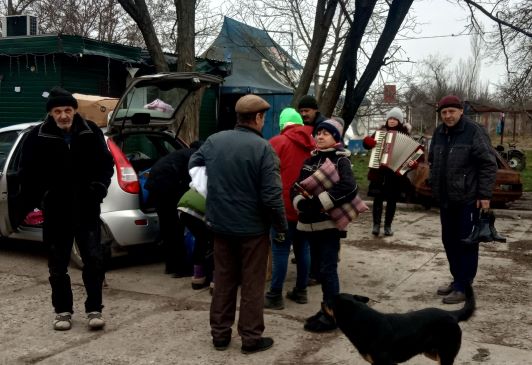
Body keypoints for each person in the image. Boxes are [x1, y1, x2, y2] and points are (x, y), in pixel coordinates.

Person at [189, 94, 287, 354]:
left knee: (223, 280)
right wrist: (280, 227)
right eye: (263, 118)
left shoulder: (214, 141)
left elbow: (194, 163)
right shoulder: (264, 149)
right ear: (257, 118)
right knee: (253, 284)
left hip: (220, 226)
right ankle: (251, 338)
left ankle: (220, 336)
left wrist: (211, 193)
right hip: (253, 231)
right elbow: (272, 196)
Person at [19, 86, 114, 331]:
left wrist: (99, 189)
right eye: (58, 111)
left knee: (93, 260)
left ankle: (94, 309)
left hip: (86, 209)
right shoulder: (36, 136)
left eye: (68, 110)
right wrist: (41, 198)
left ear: (74, 110)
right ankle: (63, 311)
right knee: (58, 265)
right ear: (51, 113)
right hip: (56, 213)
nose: (64, 115)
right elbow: (26, 174)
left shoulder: (90, 131)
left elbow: (106, 164)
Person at [291, 119, 358, 332]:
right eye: (318, 133)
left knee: (328, 270)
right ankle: (325, 309)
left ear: (336, 138)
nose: (319, 136)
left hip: (328, 226)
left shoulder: (341, 161)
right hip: (309, 225)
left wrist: (319, 203)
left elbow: (350, 187)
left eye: (326, 133)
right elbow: (297, 186)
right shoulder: (311, 159)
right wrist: (300, 202)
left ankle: (332, 315)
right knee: (319, 270)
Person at [428, 95, 497, 304]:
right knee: (449, 241)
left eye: (452, 111)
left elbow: (488, 164)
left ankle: (463, 287)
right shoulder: (439, 132)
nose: (448, 116)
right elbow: (433, 160)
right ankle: (457, 278)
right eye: (444, 112)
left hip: (468, 198)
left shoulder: (474, 131)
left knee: (466, 243)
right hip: (446, 198)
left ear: (460, 111)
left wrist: (484, 195)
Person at [264, 107, 314, 310]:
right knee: (303, 249)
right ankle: (301, 291)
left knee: (281, 250)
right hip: (306, 207)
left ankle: (275, 295)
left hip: (283, 207)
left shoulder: (277, 142)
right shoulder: (312, 144)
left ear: (283, 124)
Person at [144, 142, 202, 277]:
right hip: (166, 185)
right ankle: (181, 268)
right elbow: (194, 181)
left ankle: (170, 265)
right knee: (176, 227)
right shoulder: (194, 156)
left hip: (155, 185)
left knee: (166, 226)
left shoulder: (180, 154)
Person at [362, 107, 416, 236]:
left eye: (395, 119)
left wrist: (412, 164)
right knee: (378, 199)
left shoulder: (406, 136)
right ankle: (376, 225)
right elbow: (367, 145)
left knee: (392, 201)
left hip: (395, 175)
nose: (392, 121)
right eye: (390, 118)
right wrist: (367, 141)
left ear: (400, 121)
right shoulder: (380, 132)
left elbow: (413, 156)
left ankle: (387, 226)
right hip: (379, 173)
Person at [177, 162, 214, 290]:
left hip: (183, 207)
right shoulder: (220, 174)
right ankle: (216, 280)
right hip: (199, 210)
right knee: (216, 242)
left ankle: (198, 277)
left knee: (201, 240)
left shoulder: (204, 171)